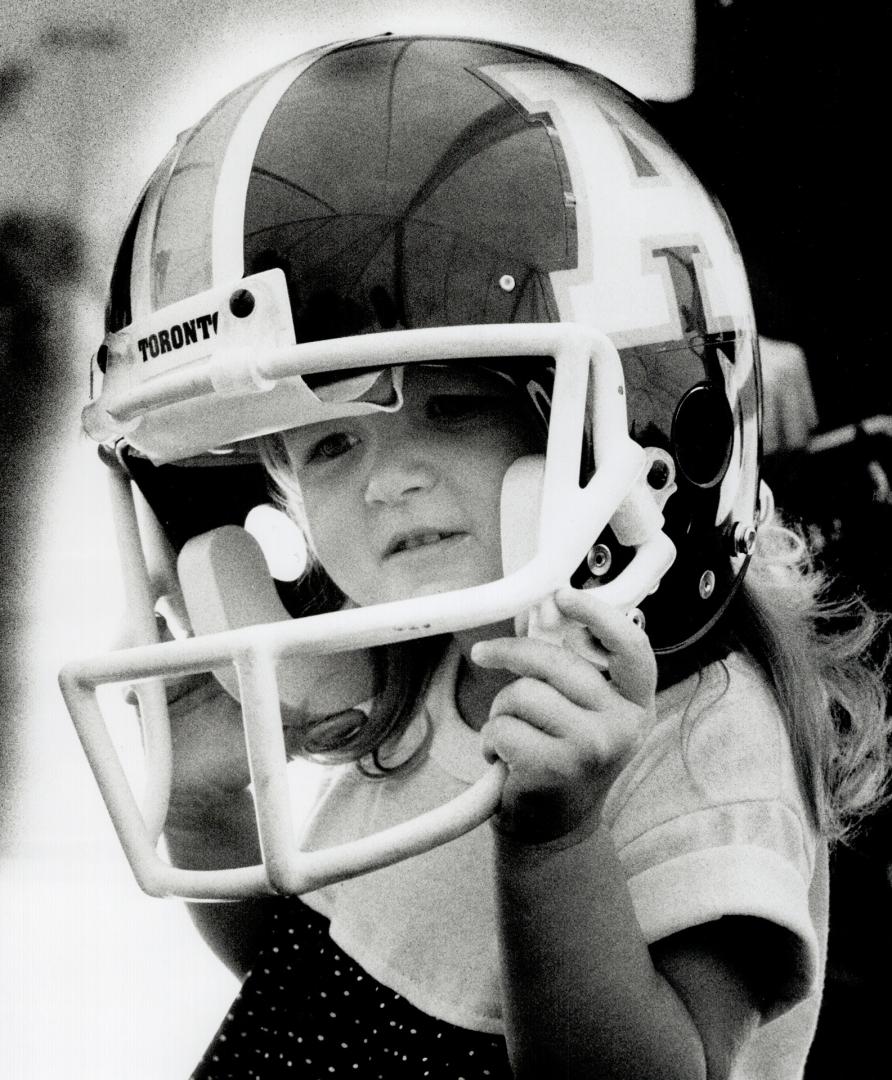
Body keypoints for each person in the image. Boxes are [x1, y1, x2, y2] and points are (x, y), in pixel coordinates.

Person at [68, 35, 889, 1079]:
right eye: (328, 444)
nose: (384, 482)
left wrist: (556, 841)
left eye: (452, 410)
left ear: (627, 435)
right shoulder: (432, 665)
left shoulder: (695, 731)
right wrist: (207, 809)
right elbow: (316, 989)